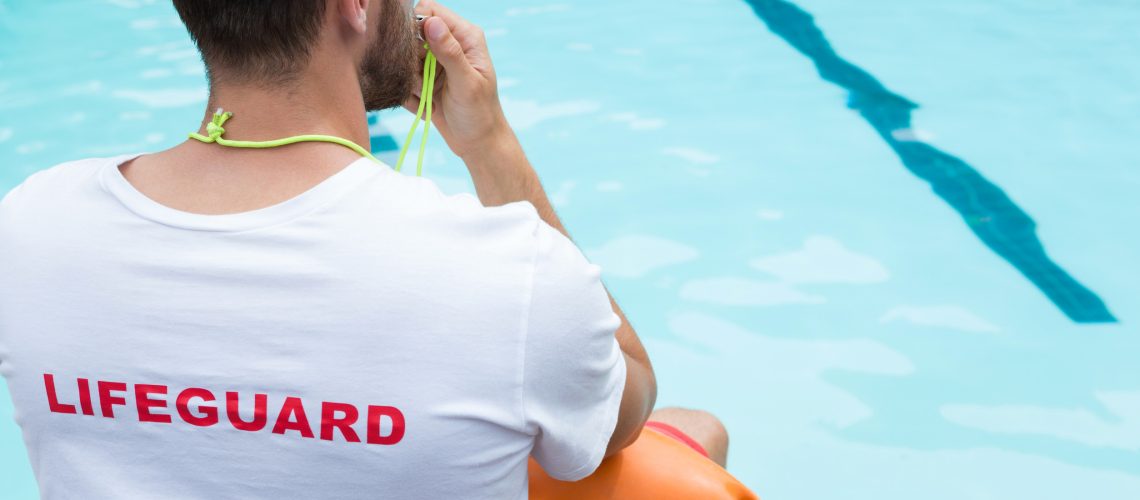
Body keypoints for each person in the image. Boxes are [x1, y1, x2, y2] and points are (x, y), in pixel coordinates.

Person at [0, 0, 731, 497]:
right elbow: (621, 406)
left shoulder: (30, 228)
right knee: (697, 437)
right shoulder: (503, 278)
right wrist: (490, 145)